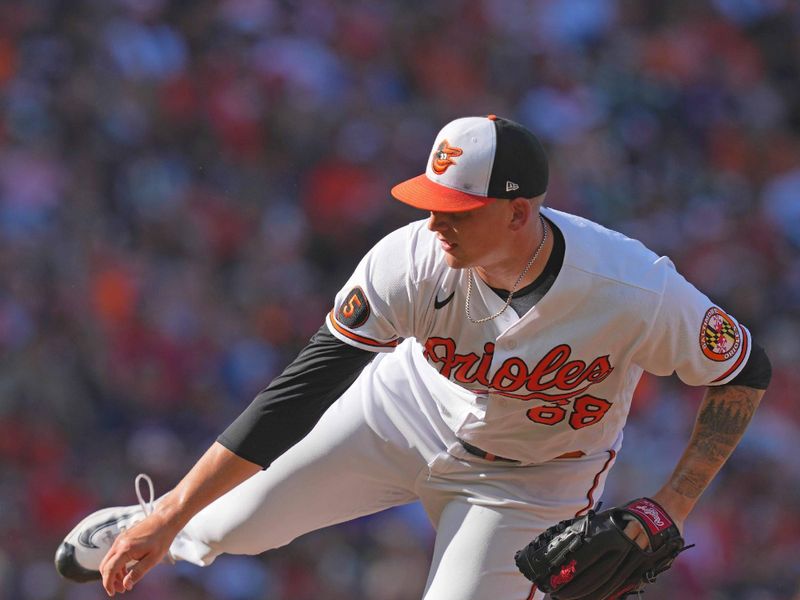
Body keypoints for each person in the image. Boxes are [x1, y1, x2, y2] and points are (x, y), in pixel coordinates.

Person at [55, 115, 771, 599]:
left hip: (529, 484)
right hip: (402, 413)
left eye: (456, 209)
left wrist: (670, 507)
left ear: (520, 212)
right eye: (430, 202)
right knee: (224, 527)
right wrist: (175, 509)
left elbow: (745, 370)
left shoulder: (632, 288)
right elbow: (297, 393)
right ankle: (154, 522)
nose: (434, 222)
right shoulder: (410, 260)